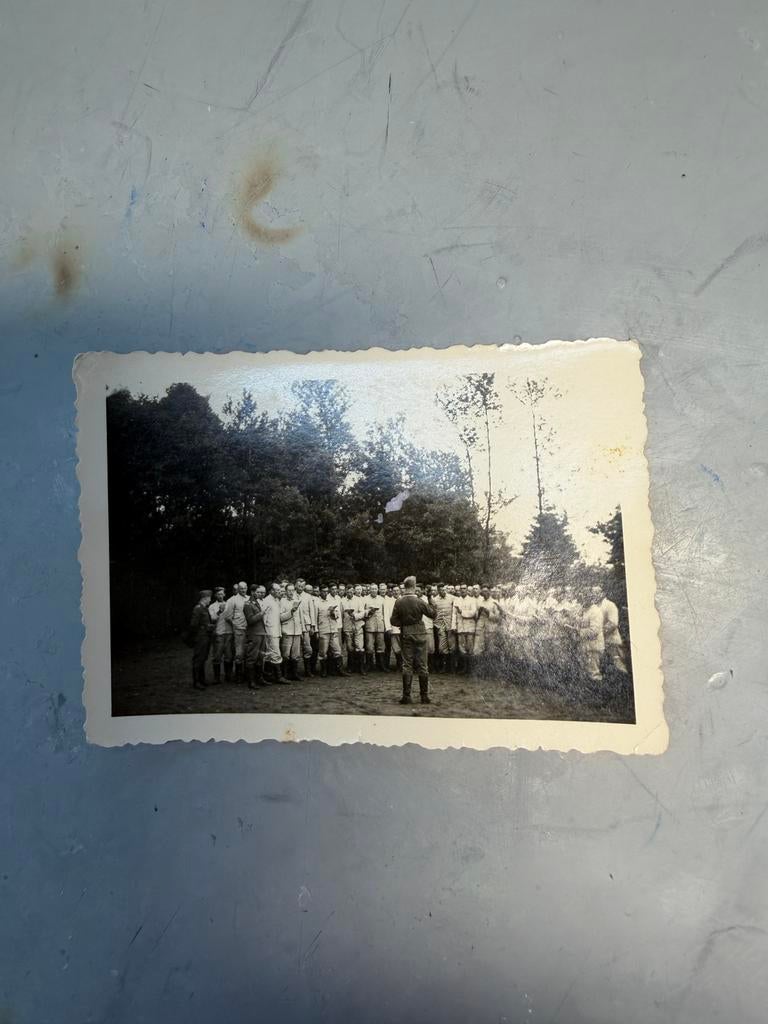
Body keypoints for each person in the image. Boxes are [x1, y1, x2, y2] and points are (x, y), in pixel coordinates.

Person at [390, 576, 436, 705]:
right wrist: (431, 600)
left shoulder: (398, 602)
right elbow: (433, 614)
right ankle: (424, 696)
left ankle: (406, 696)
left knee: (407, 664)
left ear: (405, 587)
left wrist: (404, 624)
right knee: (422, 664)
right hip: (420, 633)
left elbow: (393, 621)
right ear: (414, 587)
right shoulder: (420, 601)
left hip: (406, 633)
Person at [316, 584, 350, 677]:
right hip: (323, 630)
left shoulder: (331, 601)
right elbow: (315, 618)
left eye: (327, 591)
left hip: (333, 629)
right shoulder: (317, 602)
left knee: (337, 650)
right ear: (320, 592)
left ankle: (340, 670)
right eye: (323, 591)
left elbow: (337, 615)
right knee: (323, 652)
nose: (325, 593)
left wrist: (332, 613)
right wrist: (316, 630)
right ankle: (324, 670)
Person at [261, 582, 290, 684]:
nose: (279, 592)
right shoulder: (266, 601)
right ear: (271, 591)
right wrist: (266, 631)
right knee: (276, 653)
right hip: (270, 631)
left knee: (269, 654)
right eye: (277, 590)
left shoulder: (277, 600)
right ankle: (278, 676)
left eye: (279, 590)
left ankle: (269, 675)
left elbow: (279, 617)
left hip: (276, 630)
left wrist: (291, 612)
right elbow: (263, 617)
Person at [243, 584, 269, 688]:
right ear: (253, 592)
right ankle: (251, 681)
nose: (260, 594)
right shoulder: (248, 604)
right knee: (252, 657)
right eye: (258, 592)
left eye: (261, 592)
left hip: (262, 633)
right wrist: (261, 614)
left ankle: (259, 679)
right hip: (254, 634)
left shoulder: (257, 603)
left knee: (260, 657)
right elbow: (250, 620)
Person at [224, 581, 249, 683]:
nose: (243, 590)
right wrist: (236, 625)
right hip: (239, 629)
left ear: (247, 588)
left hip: (249, 629)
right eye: (241, 588)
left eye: (244, 588)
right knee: (239, 653)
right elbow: (228, 617)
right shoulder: (232, 600)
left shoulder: (249, 598)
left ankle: (246, 675)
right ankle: (238, 676)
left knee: (248, 652)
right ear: (238, 589)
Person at [280, 583, 304, 681]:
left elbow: (300, 617)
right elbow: (280, 617)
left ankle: (294, 674)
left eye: (292, 590)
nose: (291, 592)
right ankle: (285, 674)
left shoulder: (297, 601)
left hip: (297, 631)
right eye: (289, 590)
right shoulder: (282, 602)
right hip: (287, 631)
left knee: (296, 654)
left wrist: (302, 630)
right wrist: (291, 612)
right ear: (285, 591)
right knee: (285, 654)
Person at [189, 590, 213, 690]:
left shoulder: (204, 608)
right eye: (209, 598)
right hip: (200, 637)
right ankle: (196, 682)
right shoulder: (198, 608)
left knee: (203, 658)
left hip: (205, 637)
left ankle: (202, 680)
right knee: (198, 659)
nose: (210, 600)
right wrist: (204, 628)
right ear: (205, 598)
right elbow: (193, 624)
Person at [209, 586, 233, 683]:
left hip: (229, 633)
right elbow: (212, 619)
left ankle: (228, 676)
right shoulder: (212, 606)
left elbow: (232, 618)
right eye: (218, 594)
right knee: (217, 656)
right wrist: (219, 611)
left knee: (229, 656)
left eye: (222, 594)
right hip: (219, 634)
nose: (221, 595)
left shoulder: (229, 604)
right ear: (215, 595)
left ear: (225, 594)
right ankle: (217, 678)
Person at [452, 584, 479, 675]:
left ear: (467, 590)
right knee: (462, 648)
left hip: (470, 627)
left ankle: (470, 669)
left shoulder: (472, 600)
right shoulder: (457, 600)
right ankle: (464, 668)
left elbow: (473, 613)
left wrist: (462, 612)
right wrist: (453, 626)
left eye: (464, 588)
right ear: (459, 590)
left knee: (470, 648)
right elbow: (454, 614)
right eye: (461, 589)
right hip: (460, 627)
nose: (463, 590)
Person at [343, 584, 368, 675]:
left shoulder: (358, 600)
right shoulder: (343, 601)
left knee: (359, 646)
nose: (349, 593)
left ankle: (361, 667)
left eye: (351, 591)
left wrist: (355, 616)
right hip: (348, 626)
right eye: (348, 592)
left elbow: (363, 613)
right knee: (349, 647)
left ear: (353, 591)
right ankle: (351, 667)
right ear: (346, 591)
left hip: (358, 626)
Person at [432, 583, 457, 674]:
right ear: (438, 591)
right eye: (440, 590)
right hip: (440, 626)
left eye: (444, 590)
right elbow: (434, 613)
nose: (442, 591)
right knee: (442, 647)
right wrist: (436, 624)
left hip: (450, 625)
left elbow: (455, 612)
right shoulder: (435, 600)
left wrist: (454, 625)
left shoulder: (452, 598)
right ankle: (445, 667)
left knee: (452, 646)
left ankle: (452, 668)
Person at [295, 579, 318, 678]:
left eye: (302, 586)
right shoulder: (291, 595)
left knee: (308, 648)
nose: (300, 587)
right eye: (298, 585)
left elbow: (312, 612)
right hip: (295, 625)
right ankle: (293, 672)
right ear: (295, 585)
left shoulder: (308, 597)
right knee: (294, 649)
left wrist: (313, 626)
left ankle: (308, 671)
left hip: (306, 624)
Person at [364, 582, 387, 672]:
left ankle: (381, 665)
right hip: (370, 625)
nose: (373, 590)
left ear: (377, 589)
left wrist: (385, 625)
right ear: (370, 590)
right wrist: (369, 612)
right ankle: (369, 665)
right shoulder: (365, 599)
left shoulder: (381, 599)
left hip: (380, 625)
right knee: (369, 646)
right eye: (372, 589)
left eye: (375, 589)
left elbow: (385, 613)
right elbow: (362, 612)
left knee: (381, 646)